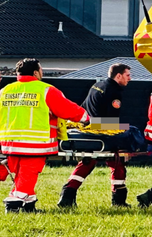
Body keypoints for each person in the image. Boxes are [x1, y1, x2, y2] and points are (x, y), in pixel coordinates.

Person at [0, 59, 89, 213]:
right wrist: (85, 118)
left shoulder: (5, 91)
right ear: (36, 72)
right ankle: (14, 203)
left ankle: (29, 205)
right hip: (35, 142)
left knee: (20, 173)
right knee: (28, 174)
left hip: (9, 141)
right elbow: (67, 109)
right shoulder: (45, 90)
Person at [57, 64, 133, 208]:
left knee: (87, 163)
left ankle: (67, 195)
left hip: (86, 131)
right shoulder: (114, 91)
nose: (130, 78)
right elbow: (111, 122)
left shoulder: (97, 85)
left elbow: (84, 109)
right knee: (119, 157)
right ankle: (118, 200)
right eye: (127, 75)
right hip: (100, 132)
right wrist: (123, 133)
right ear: (118, 76)